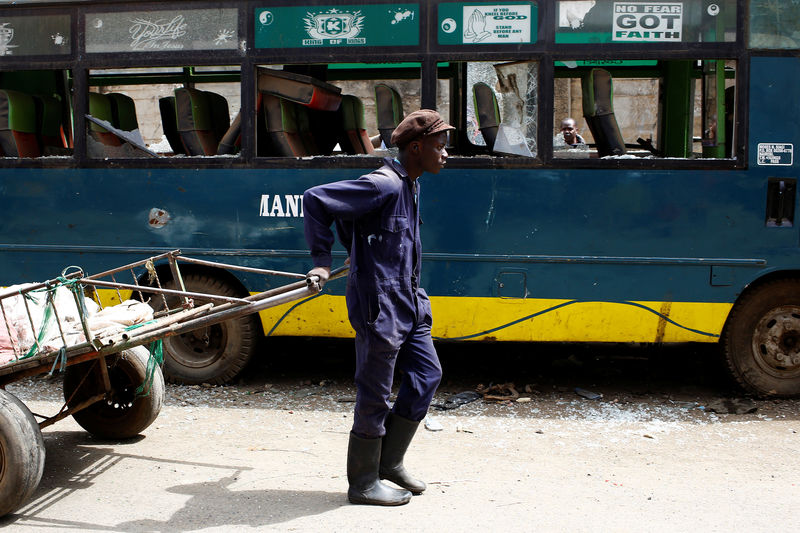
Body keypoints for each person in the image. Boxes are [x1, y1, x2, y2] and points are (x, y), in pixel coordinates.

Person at [303, 110, 451, 506]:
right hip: (379, 303)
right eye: (440, 146)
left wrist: (358, 248)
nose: (446, 153)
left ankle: (390, 461)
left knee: (427, 374)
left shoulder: (412, 184)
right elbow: (316, 199)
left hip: (409, 300)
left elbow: (367, 230)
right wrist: (322, 259)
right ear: (416, 148)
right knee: (375, 393)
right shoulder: (383, 184)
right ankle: (364, 482)